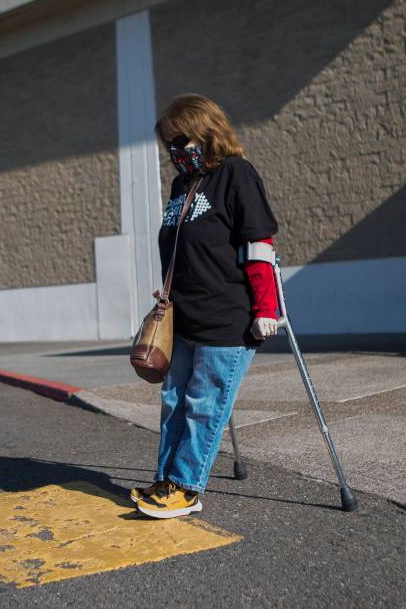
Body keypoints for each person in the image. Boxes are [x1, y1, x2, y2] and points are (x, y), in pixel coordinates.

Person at [132, 93, 280, 519]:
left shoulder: (237, 174)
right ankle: (166, 479)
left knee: (203, 404)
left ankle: (186, 488)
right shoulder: (183, 186)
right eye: (168, 146)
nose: (173, 153)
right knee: (173, 402)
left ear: (203, 132)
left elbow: (258, 246)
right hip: (184, 320)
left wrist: (266, 309)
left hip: (226, 317)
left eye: (179, 141)